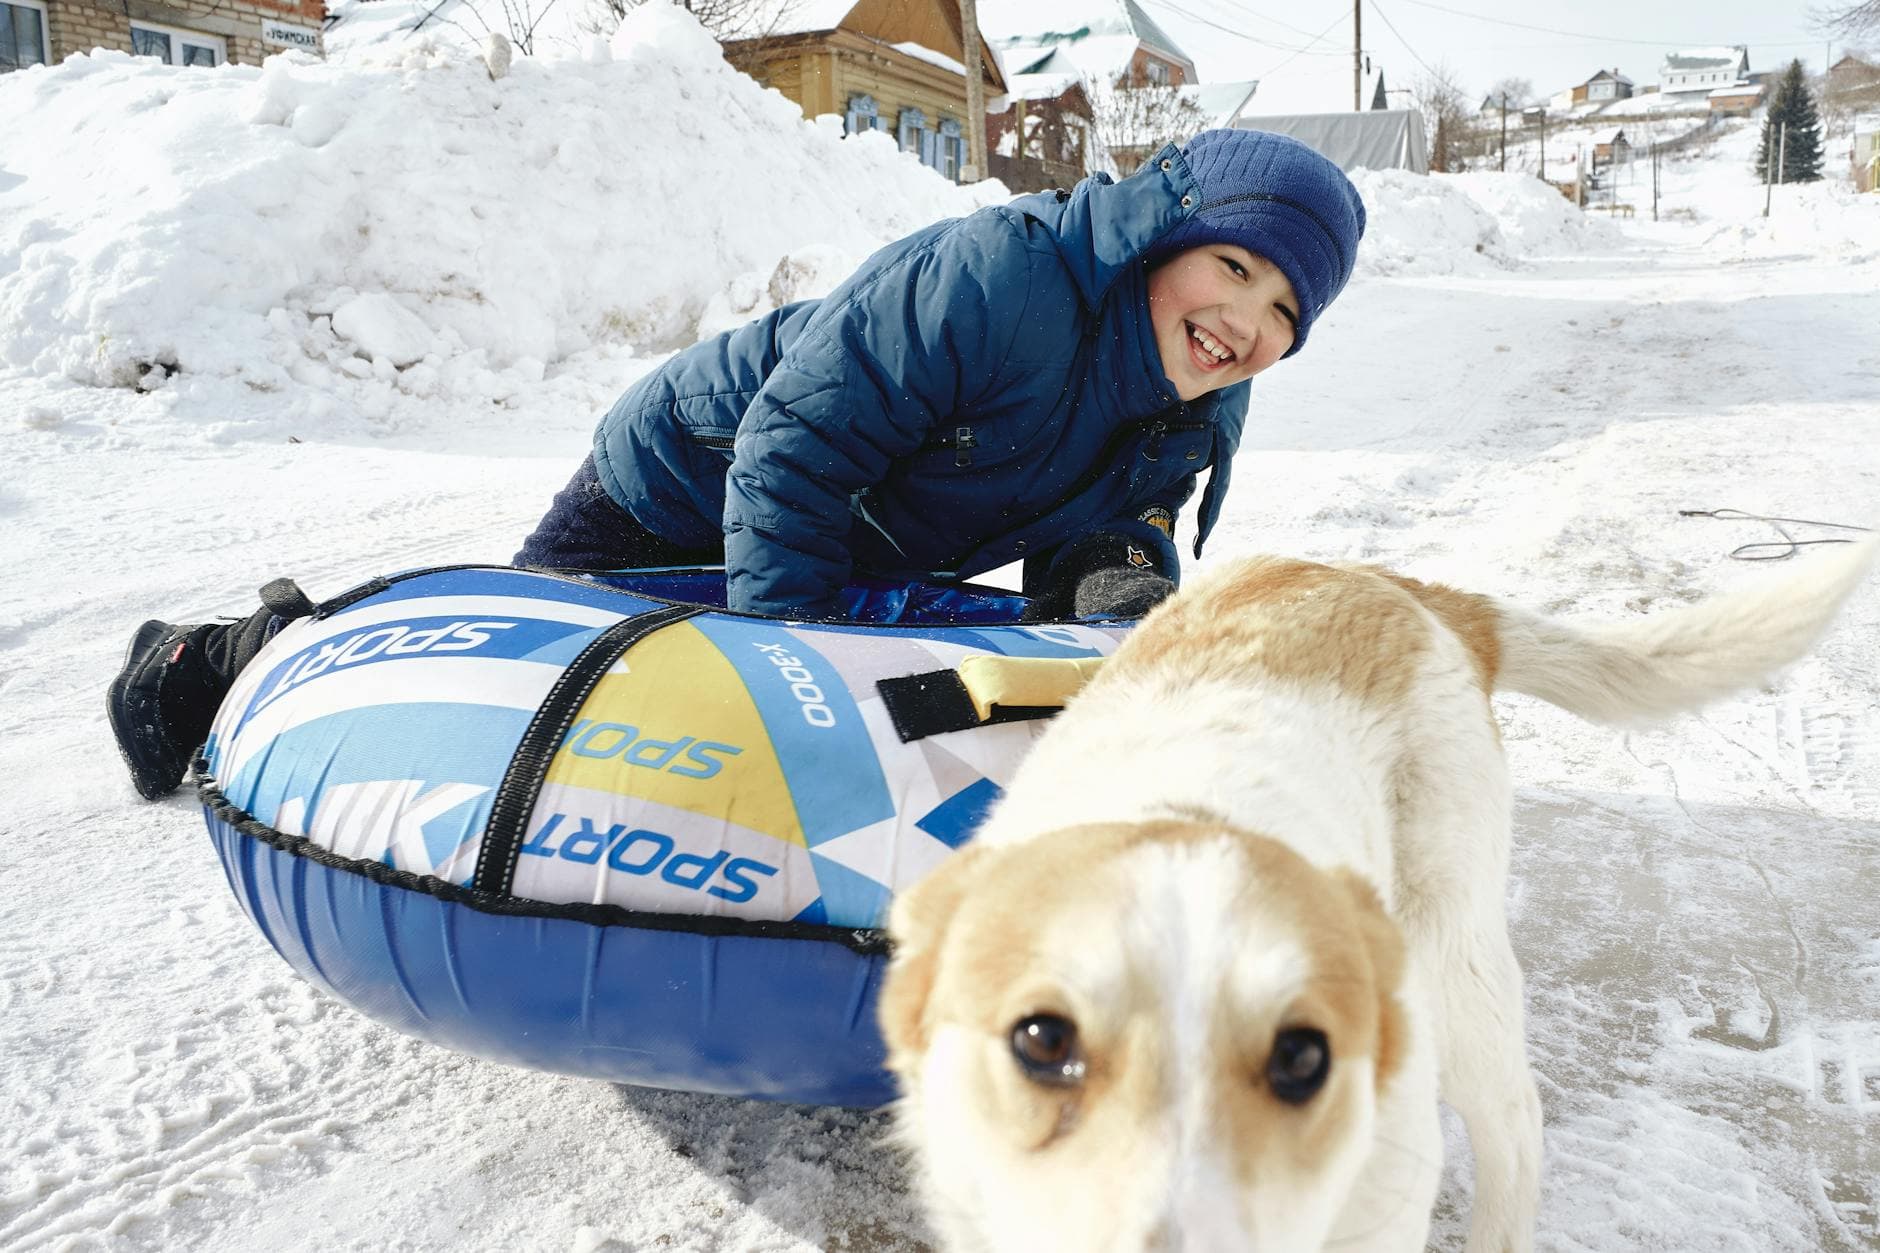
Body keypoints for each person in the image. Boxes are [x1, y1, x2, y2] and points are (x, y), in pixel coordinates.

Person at [108, 128, 1366, 799]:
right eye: (1234, 267)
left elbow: (1118, 523)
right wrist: (786, 670)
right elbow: (789, 448)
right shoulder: (1001, 279)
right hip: (688, 474)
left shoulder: (1202, 406)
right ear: (1165, 238)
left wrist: (1118, 597)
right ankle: (220, 659)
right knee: (513, 675)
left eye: (1282, 315)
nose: (1243, 321)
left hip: (859, 541)